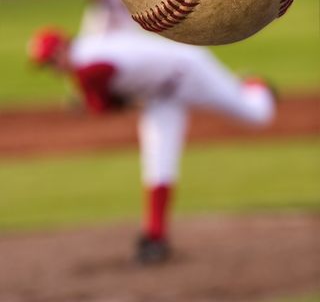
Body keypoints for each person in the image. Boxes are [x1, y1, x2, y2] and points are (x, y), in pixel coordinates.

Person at [28, 28, 276, 264]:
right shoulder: (88, 50)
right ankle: (155, 237)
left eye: (50, 61)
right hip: (159, 95)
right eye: (46, 65)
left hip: (189, 72)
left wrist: (88, 102)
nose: (51, 69)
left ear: (62, 49)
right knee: (158, 161)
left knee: (257, 115)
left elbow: (101, 105)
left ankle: (255, 85)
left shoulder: (87, 65)